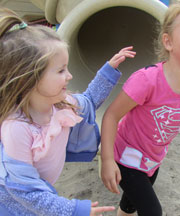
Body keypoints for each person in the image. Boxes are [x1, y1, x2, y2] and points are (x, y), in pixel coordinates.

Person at [0, 8, 136, 216]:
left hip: (39, 190)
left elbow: (89, 100)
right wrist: (74, 209)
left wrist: (108, 70)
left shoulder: (60, 104)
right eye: (61, 70)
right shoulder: (17, 129)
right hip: (13, 204)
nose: (70, 75)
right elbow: (25, 192)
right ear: (30, 79)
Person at [100, 0, 180, 215]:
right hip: (125, 156)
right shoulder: (147, 80)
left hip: (153, 158)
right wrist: (106, 160)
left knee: (129, 205)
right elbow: (111, 116)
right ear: (168, 42)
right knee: (152, 211)